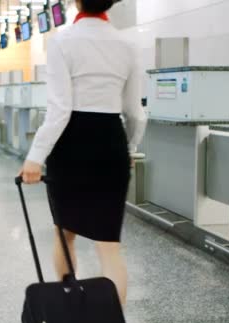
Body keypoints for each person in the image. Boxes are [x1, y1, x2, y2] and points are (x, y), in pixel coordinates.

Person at [18, 0, 147, 307]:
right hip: (110, 141)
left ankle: (70, 314)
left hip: (71, 143)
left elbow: (60, 109)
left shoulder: (62, 41)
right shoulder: (127, 44)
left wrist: (35, 156)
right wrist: (129, 148)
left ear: (76, 2)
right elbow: (135, 113)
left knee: (65, 233)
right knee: (109, 246)